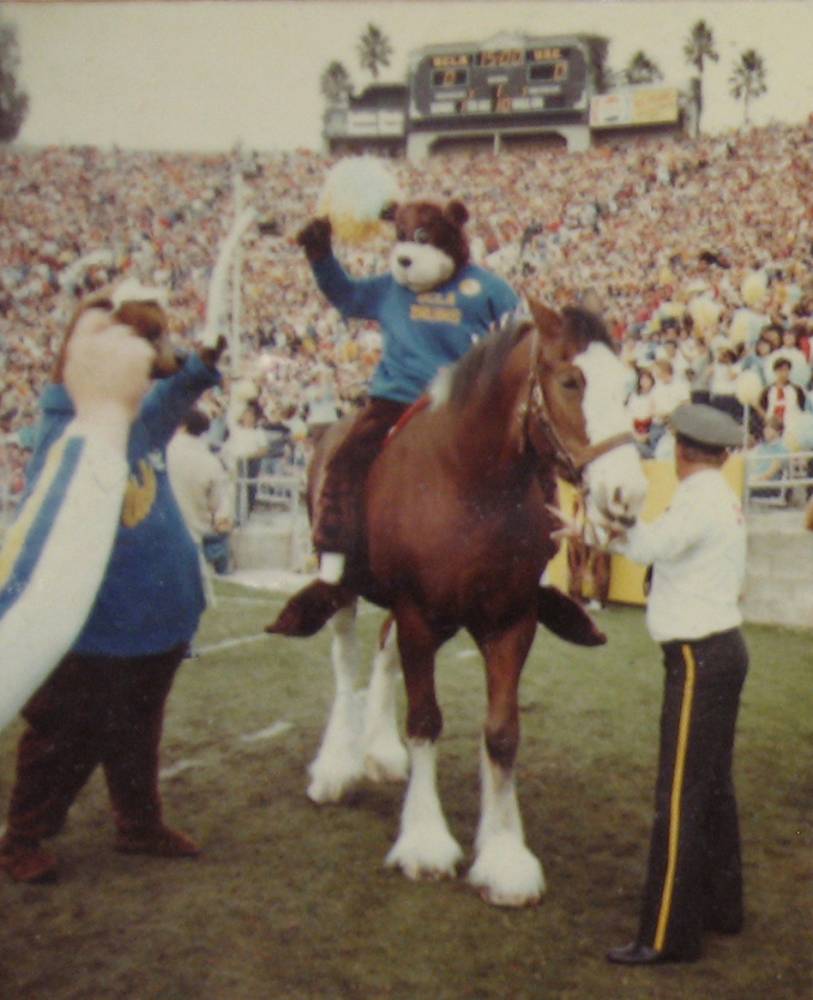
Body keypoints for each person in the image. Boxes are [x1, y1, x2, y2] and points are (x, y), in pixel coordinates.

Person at [0, 286, 223, 884]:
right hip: (95, 625)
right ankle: (23, 834)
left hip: (156, 613)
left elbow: (172, 397)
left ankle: (138, 822)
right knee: (64, 736)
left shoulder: (135, 422)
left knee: (138, 727)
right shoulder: (63, 429)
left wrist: (200, 365)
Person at [606, 402, 749, 965]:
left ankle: (666, 934)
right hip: (719, 649)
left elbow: (648, 547)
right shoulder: (720, 495)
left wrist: (603, 529)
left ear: (683, 451)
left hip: (697, 655)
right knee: (713, 788)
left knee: (681, 796)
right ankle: (722, 908)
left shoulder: (699, 497)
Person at [167, 407, 234, 593]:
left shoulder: (164, 451)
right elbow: (221, 508)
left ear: (181, 426)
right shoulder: (210, 462)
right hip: (193, 538)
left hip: (163, 534)